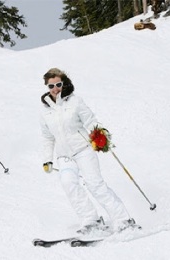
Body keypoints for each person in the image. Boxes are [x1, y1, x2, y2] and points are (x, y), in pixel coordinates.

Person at [40, 68, 138, 234]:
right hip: (64, 156)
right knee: (69, 184)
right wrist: (47, 159)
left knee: (95, 185)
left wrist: (100, 136)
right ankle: (91, 221)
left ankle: (124, 221)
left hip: (83, 149)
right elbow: (47, 137)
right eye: (51, 86)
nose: (55, 88)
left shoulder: (75, 101)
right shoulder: (45, 110)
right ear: (47, 87)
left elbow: (90, 121)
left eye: (58, 84)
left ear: (63, 84)